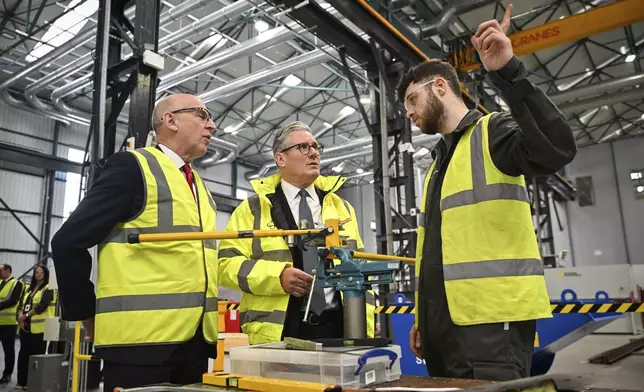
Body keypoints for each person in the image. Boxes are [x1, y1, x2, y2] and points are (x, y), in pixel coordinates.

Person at [397, 5, 576, 381]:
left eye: (412, 100)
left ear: (440, 87)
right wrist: (423, 319)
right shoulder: (437, 166)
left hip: (493, 327)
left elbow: (556, 149)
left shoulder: (490, 133)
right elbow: (435, 252)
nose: (409, 114)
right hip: (444, 329)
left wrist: (509, 73)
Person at [51, 94, 220, 391]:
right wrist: (86, 314)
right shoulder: (133, 167)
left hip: (195, 344)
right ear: (171, 120)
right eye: (203, 115)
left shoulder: (198, 186)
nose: (213, 125)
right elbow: (68, 242)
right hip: (139, 347)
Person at [218, 121, 372, 344]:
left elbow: (360, 268)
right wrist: (277, 277)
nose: (313, 154)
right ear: (280, 158)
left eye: (316, 147)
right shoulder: (252, 209)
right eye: (303, 147)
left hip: (339, 326)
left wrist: (362, 330)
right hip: (278, 330)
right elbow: (225, 265)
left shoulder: (342, 208)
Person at [16, 264, 54, 389]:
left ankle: (33, 383)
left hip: (39, 330)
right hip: (25, 328)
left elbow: (42, 306)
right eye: (36, 272)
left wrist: (26, 315)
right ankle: (21, 382)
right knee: (23, 356)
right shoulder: (28, 289)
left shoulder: (48, 288)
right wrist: (21, 316)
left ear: (45, 274)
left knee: (36, 357)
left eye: (40, 272)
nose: (37, 274)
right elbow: (21, 303)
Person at [0, 264, 24, 384]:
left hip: (8, 323)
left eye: (0, 270)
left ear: (8, 270)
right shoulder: (0, 283)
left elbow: (14, 300)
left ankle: (7, 374)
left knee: (8, 350)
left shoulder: (17, 283)